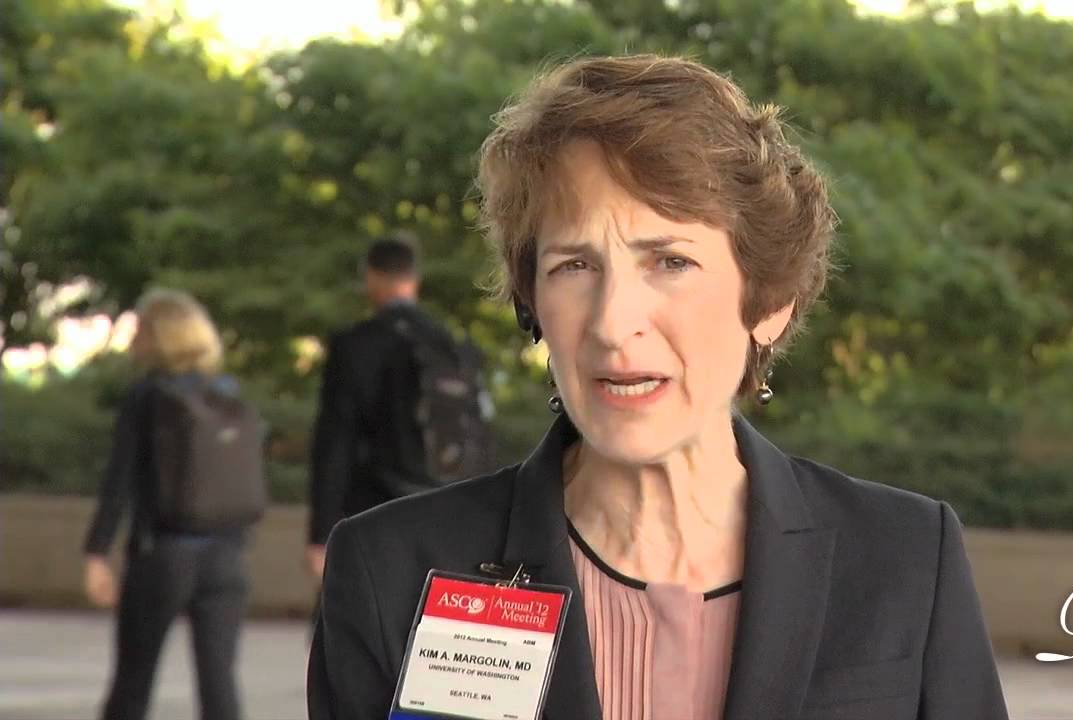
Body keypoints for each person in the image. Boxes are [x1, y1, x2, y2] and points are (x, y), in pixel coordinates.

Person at [308, 55, 1009, 720]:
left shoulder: (905, 557)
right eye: (574, 266)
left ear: (770, 302)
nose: (613, 324)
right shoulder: (389, 570)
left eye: (670, 261)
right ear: (533, 305)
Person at [84, 289, 258, 720]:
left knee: (133, 682)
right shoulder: (226, 394)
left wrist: (96, 552)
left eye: (140, 330)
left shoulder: (147, 397)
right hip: (227, 556)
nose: (132, 340)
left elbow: (119, 481)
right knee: (219, 684)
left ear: (158, 337)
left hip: (163, 555)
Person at [306, 233, 494, 580]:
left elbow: (335, 444)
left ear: (371, 277)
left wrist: (321, 533)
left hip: (373, 512)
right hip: (446, 510)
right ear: (415, 279)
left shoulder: (356, 346)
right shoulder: (448, 344)